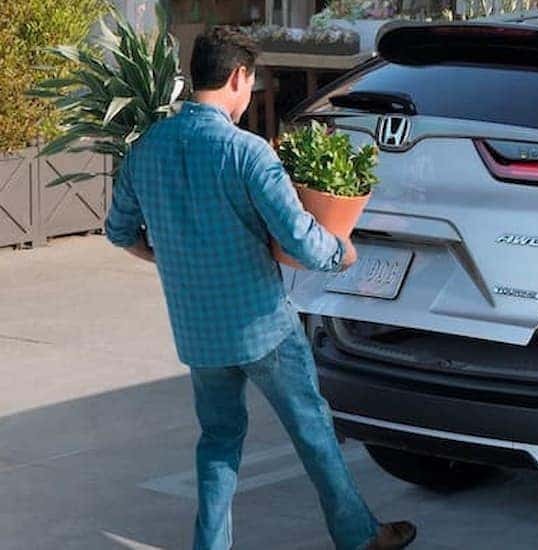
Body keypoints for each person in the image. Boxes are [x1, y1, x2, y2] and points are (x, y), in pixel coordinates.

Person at [104, 27, 416, 550]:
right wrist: (344, 252)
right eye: (250, 82)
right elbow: (302, 239)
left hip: (198, 332)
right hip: (262, 326)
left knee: (219, 442)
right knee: (313, 430)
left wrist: (172, 260)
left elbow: (119, 232)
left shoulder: (147, 149)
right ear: (237, 77)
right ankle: (359, 537)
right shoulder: (247, 153)